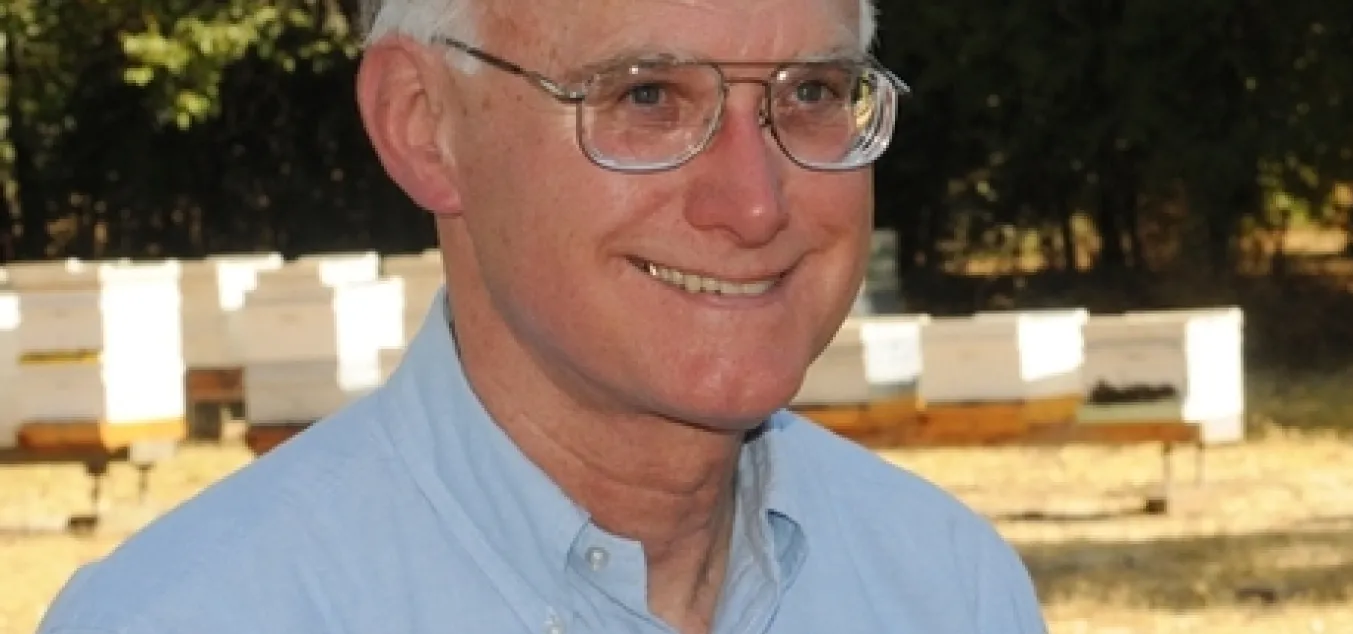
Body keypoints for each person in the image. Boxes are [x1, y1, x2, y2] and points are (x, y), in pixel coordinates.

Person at [35, 0, 1049, 632]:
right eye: (648, 96)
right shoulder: (199, 617)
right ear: (423, 126)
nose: (752, 201)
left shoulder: (945, 587)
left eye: (816, 91)